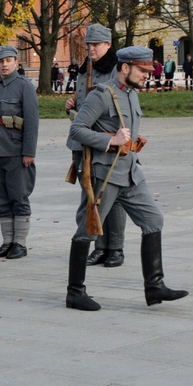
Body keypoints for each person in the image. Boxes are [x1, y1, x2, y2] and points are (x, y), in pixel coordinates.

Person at [66, 46, 189, 311]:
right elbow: (76, 130)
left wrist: (134, 142)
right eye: (142, 70)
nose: (147, 75)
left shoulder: (131, 94)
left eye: (148, 70)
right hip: (105, 174)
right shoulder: (101, 95)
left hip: (131, 172)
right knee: (87, 230)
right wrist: (109, 140)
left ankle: (154, 286)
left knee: (153, 220)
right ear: (125, 68)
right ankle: (75, 292)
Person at [64, 24, 128, 268]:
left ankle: (116, 247)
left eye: (96, 45)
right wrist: (71, 104)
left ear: (108, 45)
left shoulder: (116, 69)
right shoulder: (85, 68)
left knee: (113, 196)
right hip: (84, 141)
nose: (91, 49)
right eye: (88, 45)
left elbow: (119, 105)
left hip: (106, 141)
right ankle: (100, 246)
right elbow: (84, 102)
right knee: (91, 194)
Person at [0, 45, 39, 260]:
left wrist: (29, 151)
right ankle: (7, 242)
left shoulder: (24, 86)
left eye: (8, 60)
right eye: (0, 61)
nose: (4, 65)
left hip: (16, 151)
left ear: (16, 62)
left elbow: (32, 121)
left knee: (19, 196)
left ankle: (20, 243)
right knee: (0, 198)